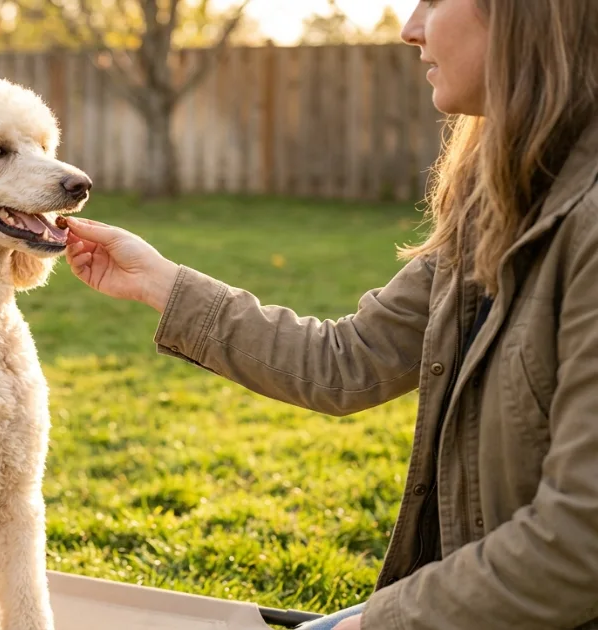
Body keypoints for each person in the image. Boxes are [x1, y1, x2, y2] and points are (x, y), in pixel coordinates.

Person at [59, 0, 598, 628]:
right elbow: (346, 361)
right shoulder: (500, 200)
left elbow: (578, 545)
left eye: (433, 0)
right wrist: (160, 282)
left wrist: (374, 622)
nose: (408, 28)